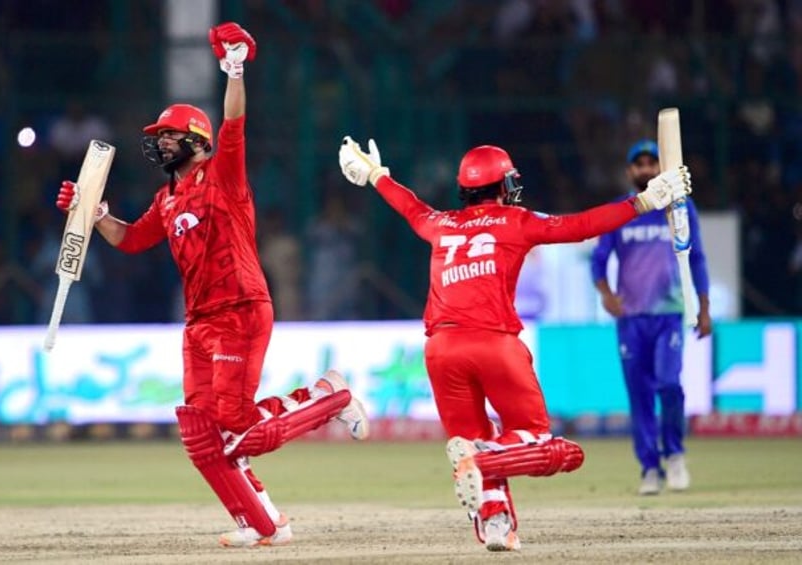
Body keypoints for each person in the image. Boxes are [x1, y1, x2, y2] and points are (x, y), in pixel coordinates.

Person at [54, 22, 369, 548]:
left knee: (238, 424)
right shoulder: (167, 200)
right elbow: (130, 241)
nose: (159, 143)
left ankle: (328, 397)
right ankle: (264, 524)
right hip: (199, 321)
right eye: (157, 137)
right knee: (202, 435)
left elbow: (235, 122)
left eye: (168, 136)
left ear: (196, 142)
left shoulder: (223, 173)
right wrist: (92, 213)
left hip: (241, 308)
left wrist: (235, 67)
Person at [337, 136, 692, 551]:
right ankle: (482, 457)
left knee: (472, 442)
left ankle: (496, 526)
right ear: (502, 186)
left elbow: (411, 207)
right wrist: (643, 203)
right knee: (545, 443)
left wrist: (377, 176)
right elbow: (579, 226)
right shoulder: (516, 221)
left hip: (439, 350)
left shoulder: (442, 223)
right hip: (493, 344)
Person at [590, 139, 711, 496]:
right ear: (630, 171)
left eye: (651, 163)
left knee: (669, 384)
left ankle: (674, 455)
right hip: (631, 318)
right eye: (639, 164)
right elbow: (598, 260)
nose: (645, 169)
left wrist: (703, 308)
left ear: (661, 167)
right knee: (639, 394)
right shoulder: (621, 210)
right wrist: (607, 295)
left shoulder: (680, 206)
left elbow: (698, 258)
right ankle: (649, 468)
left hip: (669, 314)